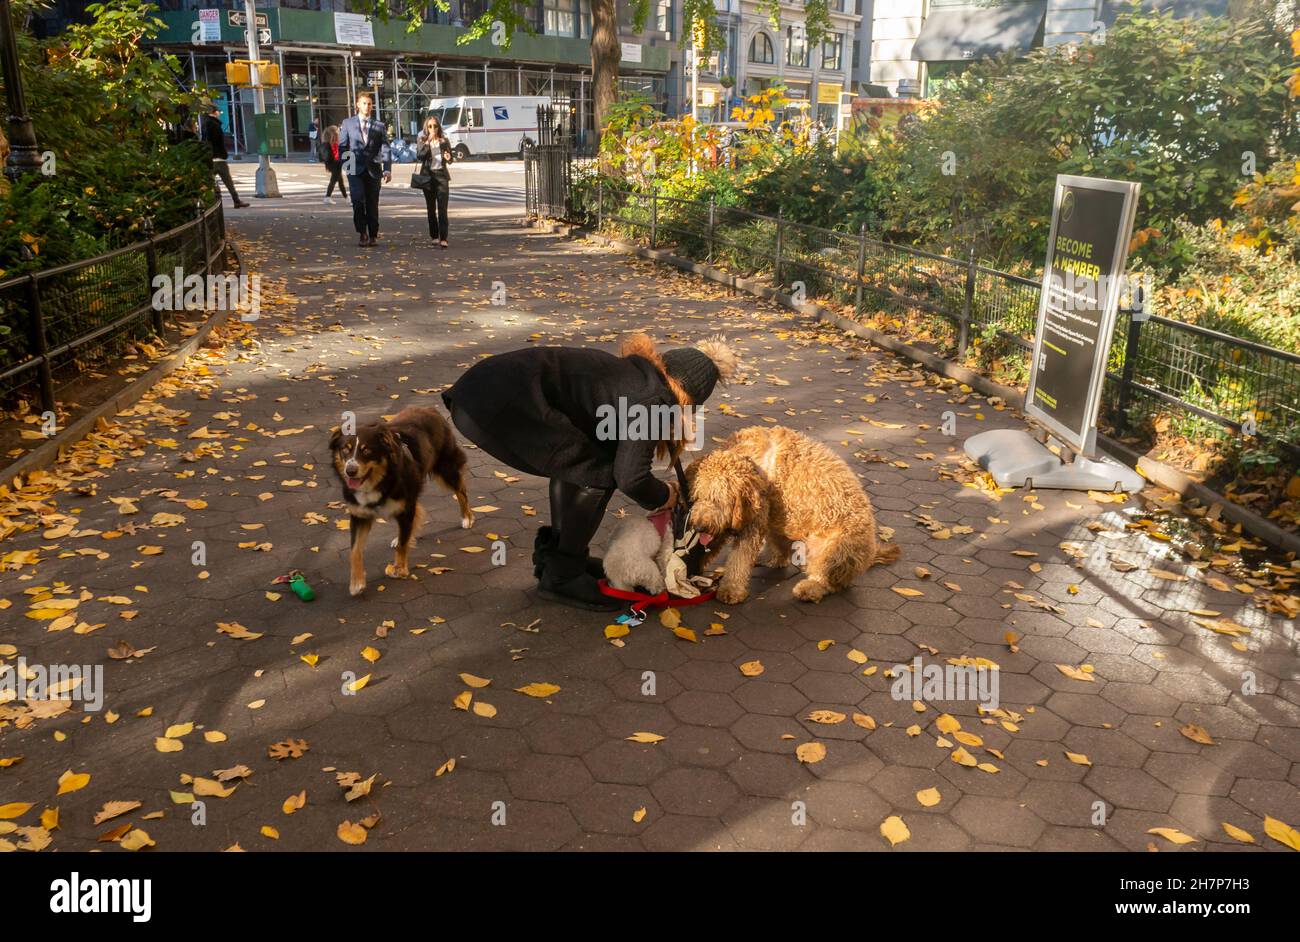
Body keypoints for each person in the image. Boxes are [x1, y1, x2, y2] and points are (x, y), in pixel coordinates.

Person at [441, 334, 738, 611]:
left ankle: (562, 561)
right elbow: (631, 477)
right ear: (686, 399)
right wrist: (667, 495)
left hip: (479, 392)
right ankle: (563, 578)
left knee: (583, 460)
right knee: (600, 471)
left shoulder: (635, 376)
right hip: (493, 405)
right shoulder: (653, 401)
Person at [337, 92, 391, 247]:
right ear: (358, 105)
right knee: (358, 200)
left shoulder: (379, 125)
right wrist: (347, 166)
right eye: (364, 103)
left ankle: (373, 234)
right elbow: (343, 146)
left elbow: (385, 147)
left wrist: (387, 168)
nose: (367, 106)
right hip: (355, 169)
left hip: (374, 169)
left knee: (372, 203)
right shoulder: (347, 123)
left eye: (369, 104)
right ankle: (362, 233)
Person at [201, 103, 249, 209]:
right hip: (218, 158)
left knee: (208, 182)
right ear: (214, 112)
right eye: (218, 111)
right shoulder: (214, 124)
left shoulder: (206, 123)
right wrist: (222, 153)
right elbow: (215, 141)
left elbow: (206, 141)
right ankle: (236, 200)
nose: (219, 113)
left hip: (211, 158)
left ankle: (207, 203)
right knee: (228, 181)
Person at [415, 115, 453, 247]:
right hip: (428, 177)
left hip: (442, 176)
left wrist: (448, 157)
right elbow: (420, 156)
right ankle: (434, 236)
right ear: (426, 128)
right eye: (430, 126)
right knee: (431, 208)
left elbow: (450, 158)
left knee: (442, 208)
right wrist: (427, 143)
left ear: (438, 127)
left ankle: (444, 238)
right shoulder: (422, 140)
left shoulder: (444, 141)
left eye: (435, 126)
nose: (433, 129)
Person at [318, 125, 347, 204]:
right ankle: (328, 197)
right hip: (335, 164)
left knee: (340, 181)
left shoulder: (328, 143)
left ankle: (346, 197)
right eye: (338, 132)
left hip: (333, 164)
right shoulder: (332, 144)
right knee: (334, 181)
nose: (339, 133)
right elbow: (336, 155)